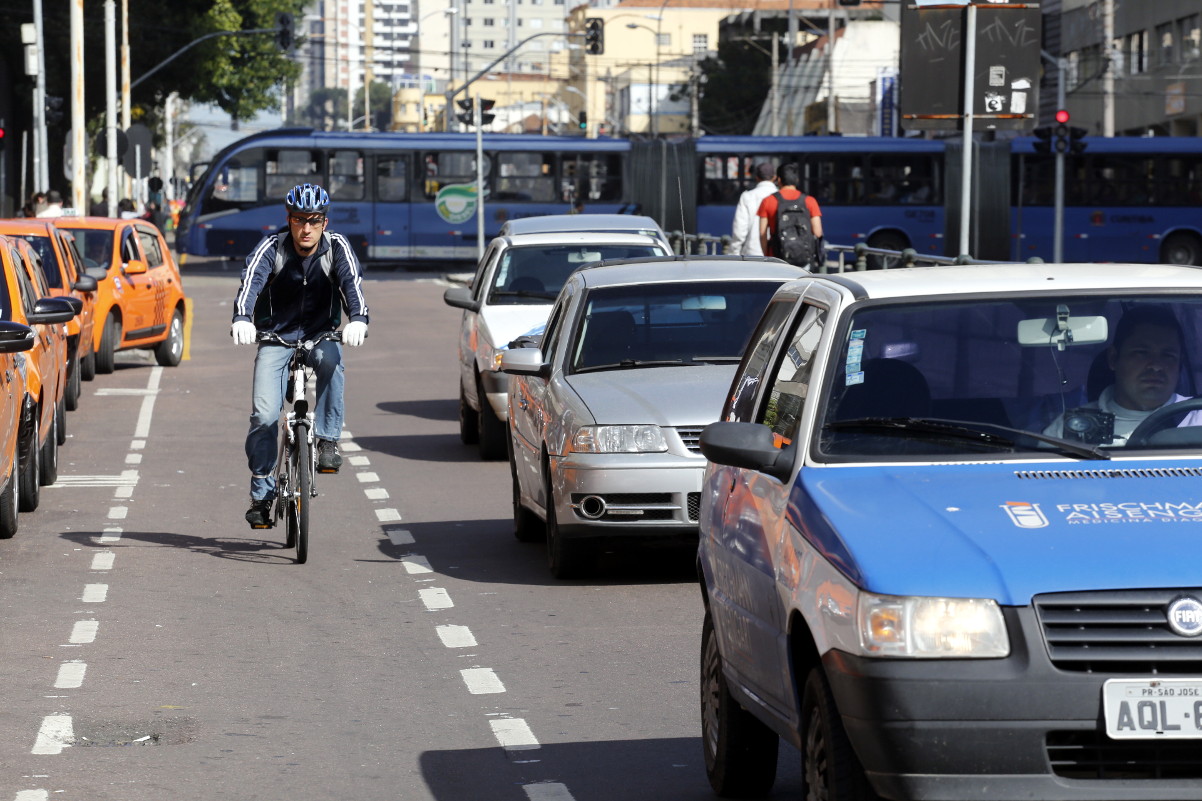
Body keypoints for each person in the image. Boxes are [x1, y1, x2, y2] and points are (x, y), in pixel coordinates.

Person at [231, 183, 370, 529]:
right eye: (298, 220)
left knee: (331, 361)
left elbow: (353, 285)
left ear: (325, 221)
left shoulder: (336, 248)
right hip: (276, 338)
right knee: (263, 416)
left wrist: (359, 320)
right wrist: (242, 317)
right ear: (288, 219)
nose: (305, 229)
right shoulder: (272, 247)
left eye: (313, 220)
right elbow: (251, 281)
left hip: (320, 334)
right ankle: (261, 495)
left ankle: (327, 441)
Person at [1044, 305, 1202, 446]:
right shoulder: (1072, 429)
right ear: (1113, 359)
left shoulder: (1196, 418)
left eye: (1167, 355)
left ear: (1179, 364)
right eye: (1141, 353)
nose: (1156, 366)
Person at [757, 163, 823, 265]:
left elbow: (762, 234)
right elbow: (818, 232)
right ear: (797, 180)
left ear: (778, 180)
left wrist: (767, 254)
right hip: (804, 257)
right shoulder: (810, 201)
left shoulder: (768, 201)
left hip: (776, 257)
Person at [730, 162, 778, 256]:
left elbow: (739, 229)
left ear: (757, 177)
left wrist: (734, 252)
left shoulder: (747, 196)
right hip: (776, 253)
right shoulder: (780, 197)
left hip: (752, 252)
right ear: (775, 177)